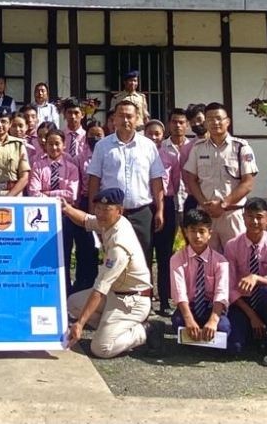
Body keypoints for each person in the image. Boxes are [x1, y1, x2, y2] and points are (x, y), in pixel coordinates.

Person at [62, 188, 158, 358]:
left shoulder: (119, 245)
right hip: (115, 294)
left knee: (101, 348)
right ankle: (112, 328)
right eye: (98, 208)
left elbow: (100, 288)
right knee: (73, 303)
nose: (100, 213)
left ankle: (144, 330)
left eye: (106, 209)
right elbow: (86, 220)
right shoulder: (110, 222)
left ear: (119, 211)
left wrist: (80, 323)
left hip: (132, 301)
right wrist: (66, 208)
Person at [87, 100, 165, 263]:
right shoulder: (102, 146)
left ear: (137, 119)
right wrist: (93, 211)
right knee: (113, 259)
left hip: (142, 212)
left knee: (143, 259)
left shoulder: (148, 146)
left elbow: (156, 180)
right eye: (121, 116)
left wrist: (160, 210)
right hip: (111, 213)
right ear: (114, 119)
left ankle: (143, 290)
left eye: (129, 116)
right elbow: (94, 180)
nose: (125, 120)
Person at [182, 102, 257, 251]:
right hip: (205, 215)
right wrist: (205, 205)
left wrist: (223, 204)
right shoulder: (198, 148)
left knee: (237, 259)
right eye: (210, 119)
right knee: (207, 260)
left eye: (218, 118)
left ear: (227, 121)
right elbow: (191, 179)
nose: (215, 122)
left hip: (232, 214)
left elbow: (248, 183)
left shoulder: (241, 147)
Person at [224, 198, 267, 366]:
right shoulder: (232, 245)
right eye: (250, 217)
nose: (255, 221)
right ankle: (254, 333)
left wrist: (256, 277)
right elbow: (229, 287)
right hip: (242, 302)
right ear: (243, 218)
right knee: (233, 348)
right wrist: (252, 316)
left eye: (259, 217)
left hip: (266, 300)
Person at [146, 111, 190, 313]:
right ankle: (144, 301)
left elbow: (174, 182)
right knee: (144, 255)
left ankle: (164, 301)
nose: (154, 137)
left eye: (157, 134)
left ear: (162, 135)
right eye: (150, 134)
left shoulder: (169, 154)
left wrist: (165, 204)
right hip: (145, 206)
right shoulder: (139, 154)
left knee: (164, 256)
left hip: (167, 204)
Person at [169, 208, 231, 346]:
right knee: (179, 323)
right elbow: (179, 293)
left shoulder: (220, 261)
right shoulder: (177, 259)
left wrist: (213, 320)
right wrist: (189, 319)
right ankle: (197, 341)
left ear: (209, 234)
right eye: (192, 230)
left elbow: (221, 293)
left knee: (223, 328)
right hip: (189, 307)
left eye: (202, 231)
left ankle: (202, 341)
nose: (197, 236)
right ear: (186, 232)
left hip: (211, 307)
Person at [28, 129, 79, 289]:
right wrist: (56, 196)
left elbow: (71, 195)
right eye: (50, 144)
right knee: (44, 255)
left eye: (57, 144)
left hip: (65, 216)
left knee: (64, 252)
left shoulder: (71, 168)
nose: (54, 147)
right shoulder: (38, 165)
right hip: (43, 216)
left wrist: (47, 194)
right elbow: (33, 193)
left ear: (63, 145)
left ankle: (65, 289)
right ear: (45, 145)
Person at [62, 98, 98, 294]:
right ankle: (65, 286)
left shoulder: (91, 137)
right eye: (69, 113)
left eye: (77, 113)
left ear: (82, 115)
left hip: (86, 197)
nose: (73, 117)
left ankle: (85, 285)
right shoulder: (59, 137)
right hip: (66, 200)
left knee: (87, 245)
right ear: (64, 115)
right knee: (65, 244)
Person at [180, 103, 208, 212]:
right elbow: (186, 178)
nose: (196, 124)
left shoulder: (222, 145)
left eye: (199, 119)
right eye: (192, 122)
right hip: (195, 199)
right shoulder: (187, 149)